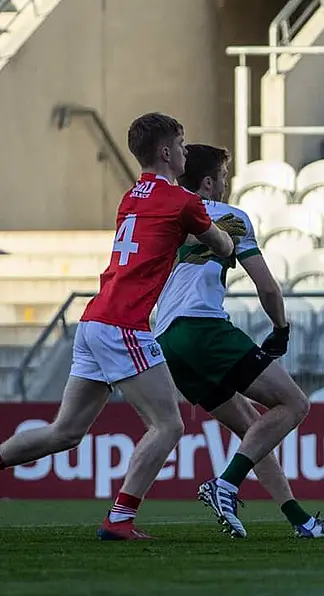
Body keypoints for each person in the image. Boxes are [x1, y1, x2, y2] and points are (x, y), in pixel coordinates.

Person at [0, 113, 245, 540]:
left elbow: (163, 238)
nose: (187, 152)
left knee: (66, 432)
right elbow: (223, 244)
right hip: (124, 324)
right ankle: (119, 518)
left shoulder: (132, 197)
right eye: (182, 145)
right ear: (167, 152)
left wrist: (193, 239)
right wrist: (223, 237)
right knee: (168, 425)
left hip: (95, 320)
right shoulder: (182, 201)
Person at [154, 144, 324, 539]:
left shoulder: (163, 216)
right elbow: (268, 289)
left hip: (166, 339)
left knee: (253, 428)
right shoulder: (230, 217)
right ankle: (225, 485)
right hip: (203, 328)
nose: (226, 185)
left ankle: (302, 522)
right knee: (294, 404)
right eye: (223, 177)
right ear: (209, 182)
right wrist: (280, 330)